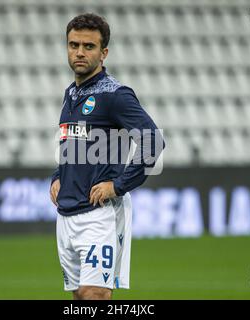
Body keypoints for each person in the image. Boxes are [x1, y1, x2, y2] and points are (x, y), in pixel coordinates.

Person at [50, 13, 164, 300]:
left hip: (100, 214)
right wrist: (57, 177)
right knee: (79, 295)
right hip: (66, 214)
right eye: (73, 44)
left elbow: (153, 140)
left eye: (89, 46)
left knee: (95, 294)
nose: (79, 52)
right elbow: (70, 142)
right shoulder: (71, 94)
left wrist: (118, 185)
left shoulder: (116, 95)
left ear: (104, 53)